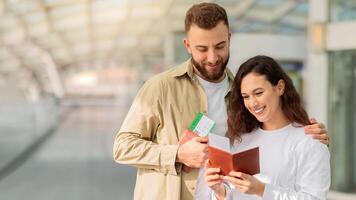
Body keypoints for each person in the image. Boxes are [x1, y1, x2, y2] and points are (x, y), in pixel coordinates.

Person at [113, 3, 329, 200]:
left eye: (219, 46)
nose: (213, 57)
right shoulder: (160, 88)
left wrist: (304, 134)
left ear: (229, 39)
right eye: (202, 49)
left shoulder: (240, 92)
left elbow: (271, 135)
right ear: (187, 45)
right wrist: (177, 154)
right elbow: (122, 147)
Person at [204, 55, 330, 200]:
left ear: (280, 88)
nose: (252, 103)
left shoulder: (309, 140)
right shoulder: (242, 139)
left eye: (258, 93)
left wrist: (262, 189)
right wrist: (220, 192)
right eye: (246, 96)